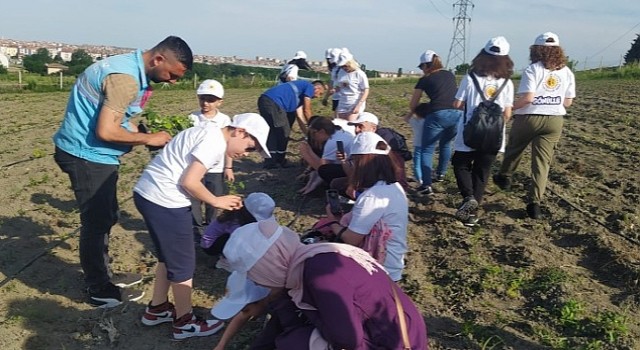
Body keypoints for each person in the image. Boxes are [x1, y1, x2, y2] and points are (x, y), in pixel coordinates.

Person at [52, 36, 193, 308]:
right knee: (96, 222)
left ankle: (103, 273)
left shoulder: (125, 67)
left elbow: (115, 119)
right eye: (172, 75)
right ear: (158, 60)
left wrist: (136, 132)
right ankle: (99, 289)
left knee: (105, 217)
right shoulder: (125, 79)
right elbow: (105, 131)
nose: (173, 81)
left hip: (89, 152)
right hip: (86, 156)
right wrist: (147, 139)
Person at [133, 113, 271, 340]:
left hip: (149, 194)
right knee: (184, 265)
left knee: (168, 258)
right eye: (249, 147)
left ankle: (157, 309)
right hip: (164, 200)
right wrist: (217, 201)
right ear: (240, 132)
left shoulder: (207, 133)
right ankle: (184, 322)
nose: (245, 154)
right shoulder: (214, 141)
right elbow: (190, 182)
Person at [221, 216, 427, 349]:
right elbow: (277, 325)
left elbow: (348, 339)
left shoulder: (321, 275)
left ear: (269, 266)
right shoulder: (310, 259)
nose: (256, 281)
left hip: (394, 342)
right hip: (389, 332)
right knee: (292, 332)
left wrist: (312, 316)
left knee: (294, 343)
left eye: (254, 274)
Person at [493, 32, 576, 219]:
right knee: (541, 163)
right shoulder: (567, 72)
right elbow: (568, 102)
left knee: (515, 147)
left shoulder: (533, 70)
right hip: (554, 120)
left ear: (537, 50)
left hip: (530, 117)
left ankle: (505, 176)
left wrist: (512, 108)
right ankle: (534, 204)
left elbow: (528, 98)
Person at [324, 132, 409, 281]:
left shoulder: (372, 197)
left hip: (380, 269)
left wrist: (332, 221)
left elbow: (351, 239)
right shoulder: (394, 187)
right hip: (393, 263)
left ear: (362, 164)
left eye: (353, 162)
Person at [452, 36, 515, 226]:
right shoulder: (507, 83)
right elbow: (508, 113)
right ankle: (472, 214)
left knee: (460, 163)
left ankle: (468, 197)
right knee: (482, 172)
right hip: (494, 135)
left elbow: (457, 104)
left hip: (469, 132)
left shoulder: (470, 77)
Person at [405, 50, 462, 195]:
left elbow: (413, 104)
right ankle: (441, 174)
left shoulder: (425, 79)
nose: (421, 70)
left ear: (426, 65)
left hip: (437, 114)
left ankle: (426, 185)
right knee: (446, 144)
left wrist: (418, 111)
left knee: (427, 149)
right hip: (457, 113)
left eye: (421, 67)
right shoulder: (450, 74)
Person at [188, 79, 234, 241]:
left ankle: (211, 227)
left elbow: (229, 145)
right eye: (202, 98)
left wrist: (228, 167)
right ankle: (196, 228)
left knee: (213, 197)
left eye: (211, 100)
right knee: (193, 197)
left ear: (219, 102)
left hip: (215, 168)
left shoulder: (224, 120)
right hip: (195, 166)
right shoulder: (192, 118)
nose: (205, 103)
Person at [257, 79, 326, 168]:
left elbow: (300, 116)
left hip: (268, 101)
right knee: (281, 131)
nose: (318, 97)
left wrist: (308, 134)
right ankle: (274, 161)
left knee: (279, 131)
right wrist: (315, 126)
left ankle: (275, 160)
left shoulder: (299, 94)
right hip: (273, 102)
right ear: (316, 88)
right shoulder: (309, 87)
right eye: (320, 93)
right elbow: (306, 110)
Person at [200, 192, 275, 256]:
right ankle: (224, 259)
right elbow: (240, 241)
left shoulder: (240, 215)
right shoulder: (234, 222)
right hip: (211, 245)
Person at [298, 116, 354, 195]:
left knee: (325, 170)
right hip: (349, 165)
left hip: (349, 169)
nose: (313, 138)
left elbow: (322, 168)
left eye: (314, 133)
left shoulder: (332, 142)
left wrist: (308, 152)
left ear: (322, 131)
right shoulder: (341, 133)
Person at [335, 49, 370, 121]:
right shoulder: (341, 72)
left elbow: (366, 90)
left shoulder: (359, 74)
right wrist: (335, 90)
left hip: (354, 102)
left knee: (351, 125)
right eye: (342, 66)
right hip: (343, 102)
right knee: (342, 125)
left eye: (345, 66)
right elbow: (340, 86)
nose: (344, 68)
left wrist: (358, 105)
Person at [321, 48, 342, 116]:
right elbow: (332, 83)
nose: (329, 61)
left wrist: (336, 89)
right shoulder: (334, 69)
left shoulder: (343, 69)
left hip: (343, 97)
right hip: (336, 97)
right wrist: (326, 97)